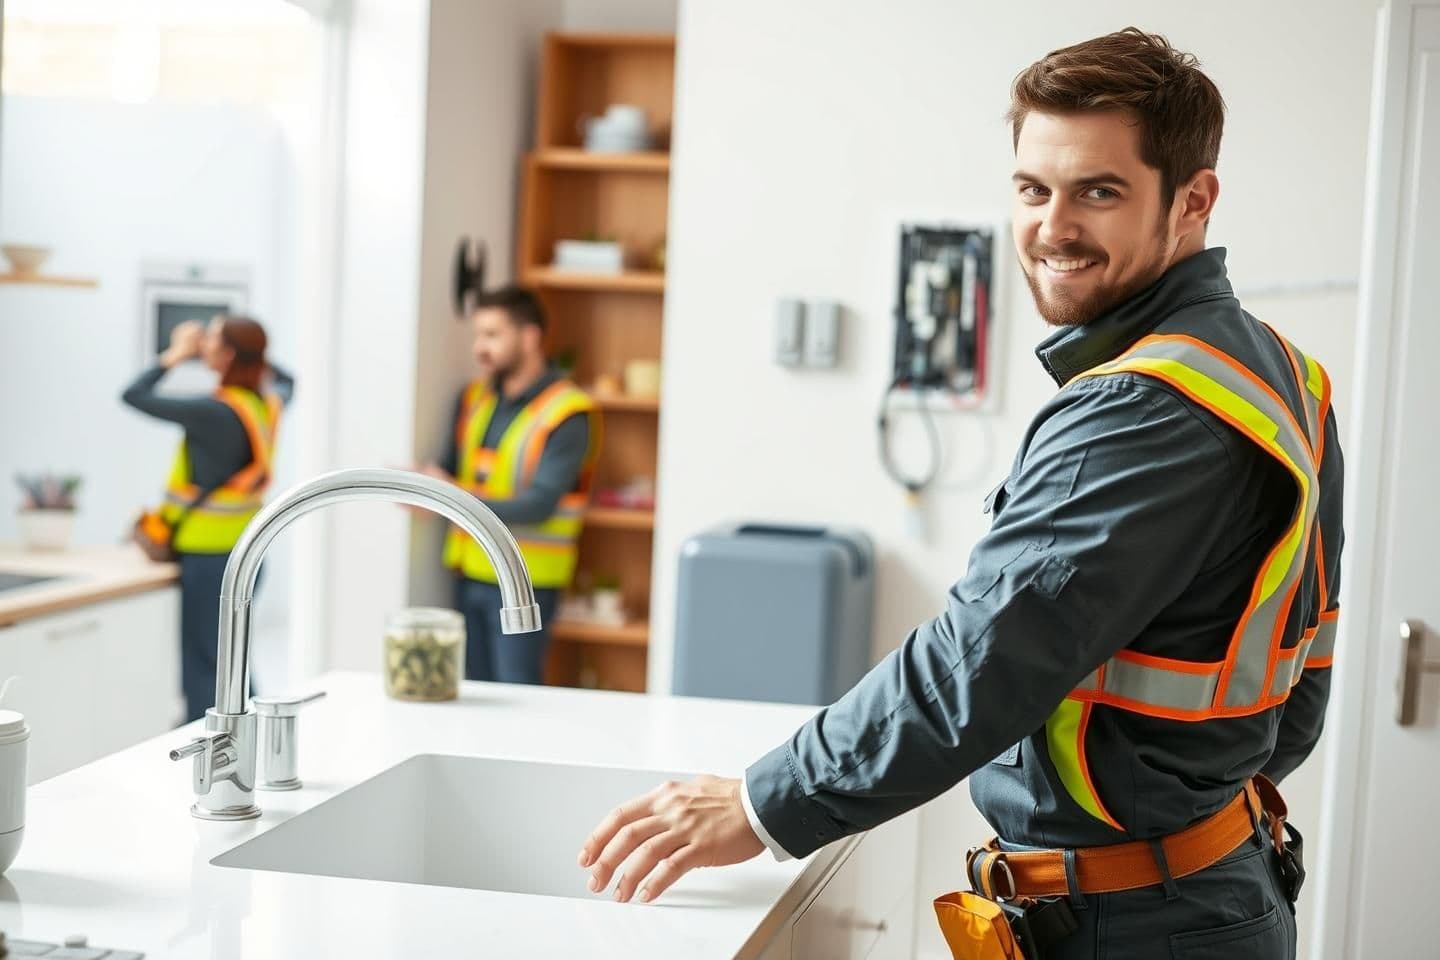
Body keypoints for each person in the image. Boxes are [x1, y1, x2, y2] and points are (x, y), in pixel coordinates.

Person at [576, 28, 1343, 960]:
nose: (1052, 227)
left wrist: (759, 804)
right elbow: (1301, 676)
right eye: (1032, 189)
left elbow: (977, 662)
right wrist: (1197, 798)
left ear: (1193, 202)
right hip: (1209, 880)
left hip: (1137, 921)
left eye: (1098, 192)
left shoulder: (1143, 409)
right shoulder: (1278, 375)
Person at [421, 286, 599, 685]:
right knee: (476, 692)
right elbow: (452, 469)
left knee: (517, 694)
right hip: (469, 573)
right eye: (478, 335)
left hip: (526, 581)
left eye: (492, 334)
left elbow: (540, 505)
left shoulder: (568, 412)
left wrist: (450, 496)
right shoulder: (474, 399)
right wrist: (425, 489)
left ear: (529, 337)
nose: (479, 347)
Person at [122, 316, 294, 723]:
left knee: (206, 669)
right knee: (232, 662)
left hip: (207, 560)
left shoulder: (212, 411)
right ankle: (251, 742)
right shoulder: (267, 404)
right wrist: (248, 350)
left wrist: (177, 354)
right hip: (249, 554)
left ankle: (209, 752)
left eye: (211, 339)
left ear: (228, 354)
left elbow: (133, 394)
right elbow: (289, 378)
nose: (205, 345)